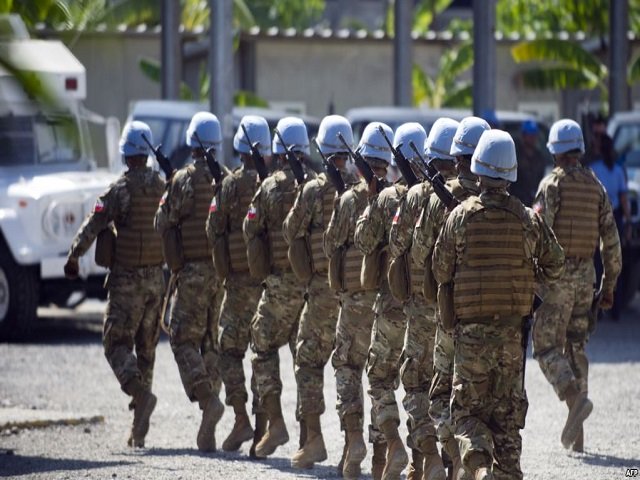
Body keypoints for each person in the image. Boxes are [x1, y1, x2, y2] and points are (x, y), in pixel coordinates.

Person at [433, 129, 565, 480]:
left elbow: (440, 268)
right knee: (507, 424)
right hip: (511, 340)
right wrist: (531, 285)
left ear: (478, 169)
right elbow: (557, 263)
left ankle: (476, 467)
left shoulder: (460, 216)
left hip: (471, 338)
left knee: (466, 415)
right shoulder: (527, 219)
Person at [64, 121, 165, 448]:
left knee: (115, 344)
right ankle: (138, 430)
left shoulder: (120, 190)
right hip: (157, 282)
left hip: (128, 283)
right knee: (146, 353)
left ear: (125, 153)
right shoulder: (162, 186)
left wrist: (74, 255)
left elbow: (94, 223)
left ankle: (140, 396)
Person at [532, 119, 622, 452]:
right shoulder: (596, 186)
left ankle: (572, 400)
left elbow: (538, 234)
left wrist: (532, 279)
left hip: (558, 278)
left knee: (545, 348)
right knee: (576, 348)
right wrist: (609, 285)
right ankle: (579, 437)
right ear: (580, 149)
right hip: (586, 277)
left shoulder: (552, 185)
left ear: (555, 151)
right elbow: (611, 243)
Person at [412, 116, 488, 480]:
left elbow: (417, 251)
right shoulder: (506, 202)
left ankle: (458, 460)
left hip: (450, 312)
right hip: (493, 313)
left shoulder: (444, 196)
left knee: (441, 393)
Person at [281, 115, 354, 469]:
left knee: (308, 362)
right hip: (355, 296)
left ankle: (313, 440)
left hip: (323, 294)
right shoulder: (361, 188)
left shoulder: (313, 191)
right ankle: (353, 445)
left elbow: (289, 229)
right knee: (349, 368)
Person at [154, 111, 225, 452]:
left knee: (182, 340)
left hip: (194, 273)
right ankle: (207, 424)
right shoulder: (225, 178)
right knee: (212, 345)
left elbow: (161, 222)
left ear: (192, 144)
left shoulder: (182, 180)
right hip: (222, 275)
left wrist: (170, 185)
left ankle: (208, 399)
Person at [243, 116, 309, 459]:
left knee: (262, 348)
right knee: (305, 364)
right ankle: (307, 439)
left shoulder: (268, 189)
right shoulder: (314, 183)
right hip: (311, 287)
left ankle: (276, 423)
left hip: (280, 284)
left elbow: (250, 228)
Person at [205, 115, 271, 455]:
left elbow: (213, 227)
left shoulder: (229, 186)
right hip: (267, 285)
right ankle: (261, 430)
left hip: (237, 286)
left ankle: (242, 417)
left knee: (229, 352)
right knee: (262, 354)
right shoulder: (272, 183)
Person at [387, 121, 447, 480]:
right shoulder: (473, 194)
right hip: (459, 306)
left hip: (423, 307)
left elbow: (399, 244)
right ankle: (434, 463)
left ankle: (431, 459)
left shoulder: (416, 196)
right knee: (449, 387)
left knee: (416, 384)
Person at [324, 122, 382, 479]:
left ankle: (354, 438)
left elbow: (331, 243)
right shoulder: (398, 195)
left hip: (355, 302)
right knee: (381, 378)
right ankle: (380, 453)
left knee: (347, 368)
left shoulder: (349, 199)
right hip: (386, 304)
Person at [354, 122, 411, 480]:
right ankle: (430, 462)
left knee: (379, 378)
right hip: (430, 311)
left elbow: (364, 239)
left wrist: (376, 199)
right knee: (429, 385)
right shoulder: (436, 198)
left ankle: (393, 446)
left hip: (391, 306)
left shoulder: (389, 198)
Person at [588, 133, 631, 319]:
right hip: (615, 220)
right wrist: (628, 222)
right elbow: (623, 199)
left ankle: (597, 309)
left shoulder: (594, 169)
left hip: (597, 220)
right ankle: (615, 309)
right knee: (615, 264)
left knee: (598, 265)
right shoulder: (619, 170)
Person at [511, 120, 546, 206]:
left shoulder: (539, 157)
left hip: (534, 202)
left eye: (534, 135)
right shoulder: (516, 156)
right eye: (529, 135)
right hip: (518, 201)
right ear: (523, 136)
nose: (532, 138)